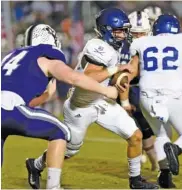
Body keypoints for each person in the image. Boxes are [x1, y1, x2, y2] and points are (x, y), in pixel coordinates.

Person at [26, 8, 159, 189]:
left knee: (135, 135)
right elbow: (89, 78)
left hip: (101, 101)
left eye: (124, 30)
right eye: (119, 31)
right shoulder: (98, 46)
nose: (124, 35)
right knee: (71, 149)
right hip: (80, 106)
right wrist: (115, 71)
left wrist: (117, 78)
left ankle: (135, 180)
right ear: (106, 30)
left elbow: (106, 74)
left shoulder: (112, 47)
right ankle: (36, 164)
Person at [1, 24, 118, 189]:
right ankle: (53, 187)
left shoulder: (10, 58)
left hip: (7, 109)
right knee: (61, 132)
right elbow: (74, 78)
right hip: (11, 109)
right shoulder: (44, 59)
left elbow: (25, 103)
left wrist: (47, 95)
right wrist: (105, 90)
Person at [126, 14, 182, 188]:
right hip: (173, 96)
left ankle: (164, 175)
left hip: (146, 97)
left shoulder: (143, 42)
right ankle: (176, 149)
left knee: (161, 135)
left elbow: (130, 72)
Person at [119, 10, 158, 171]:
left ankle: (157, 163)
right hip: (126, 89)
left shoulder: (154, 45)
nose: (138, 37)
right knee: (139, 127)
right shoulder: (122, 46)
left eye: (142, 33)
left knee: (147, 128)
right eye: (135, 33)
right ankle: (156, 163)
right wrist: (124, 101)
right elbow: (124, 77)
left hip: (147, 89)